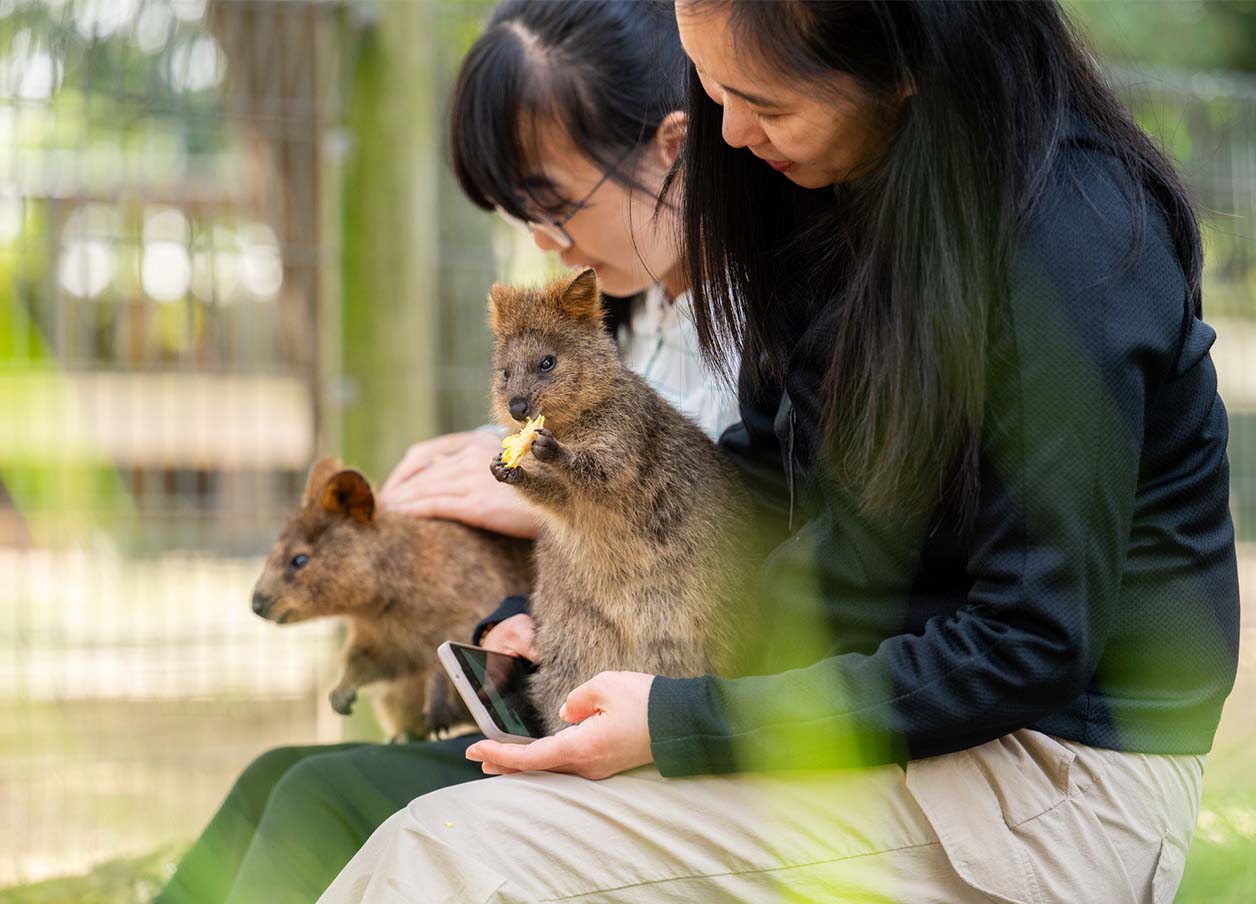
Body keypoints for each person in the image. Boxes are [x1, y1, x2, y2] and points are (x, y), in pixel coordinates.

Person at [320, 1, 1240, 902]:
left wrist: (685, 722)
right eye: (713, 87)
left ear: (902, 61)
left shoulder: (1065, 239)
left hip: (1058, 774)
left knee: (457, 858)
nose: (727, 131)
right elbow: (758, 497)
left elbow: (1030, 642)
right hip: (882, 711)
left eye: (765, 101)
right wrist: (566, 615)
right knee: (444, 824)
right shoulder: (830, 196)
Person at [153, 3, 735, 902]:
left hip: (672, 700)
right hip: (572, 655)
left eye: (558, 206)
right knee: (278, 772)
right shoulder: (633, 303)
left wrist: (529, 494)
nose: (547, 242)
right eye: (522, 216)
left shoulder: (750, 320)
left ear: (672, 147)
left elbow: (733, 507)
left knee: (319, 795)